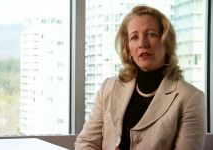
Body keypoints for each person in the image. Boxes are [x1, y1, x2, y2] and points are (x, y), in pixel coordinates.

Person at [75, 5, 206, 150]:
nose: (143, 44)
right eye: (134, 37)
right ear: (128, 48)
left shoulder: (190, 98)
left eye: (151, 34)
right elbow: (85, 142)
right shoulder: (109, 87)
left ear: (166, 43)